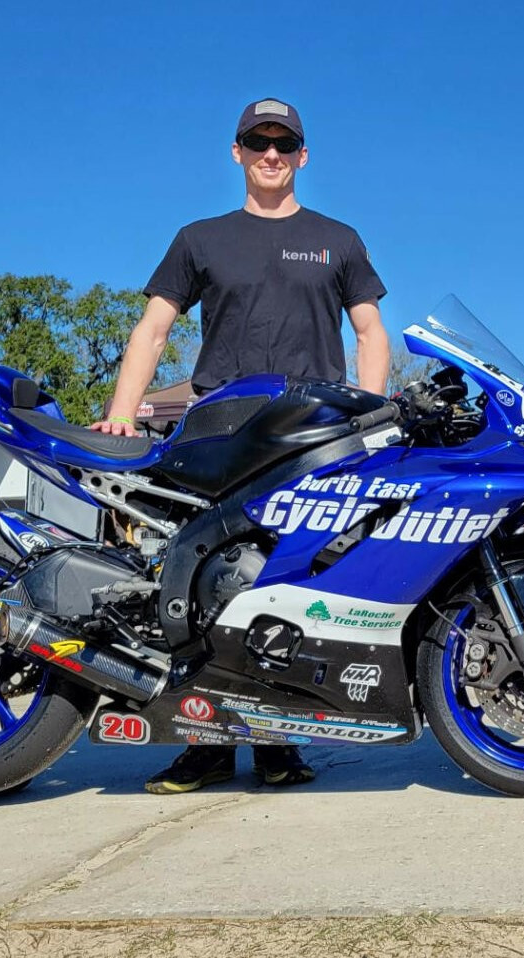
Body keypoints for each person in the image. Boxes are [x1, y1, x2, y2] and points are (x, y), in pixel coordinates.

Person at [91, 97, 392, 795]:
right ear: (236, 152)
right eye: (257, 142)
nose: (270, 155)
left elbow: (371, 334)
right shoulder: (199, 238)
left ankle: (281, 740)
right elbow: (153, 330)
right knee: (203, 584)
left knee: (291, 584)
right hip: (221, 430)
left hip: (311, 432)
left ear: (302, 156)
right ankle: (202, 744)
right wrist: (119, 414)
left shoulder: (337, 239)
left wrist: (372, 422)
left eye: (283, 144)